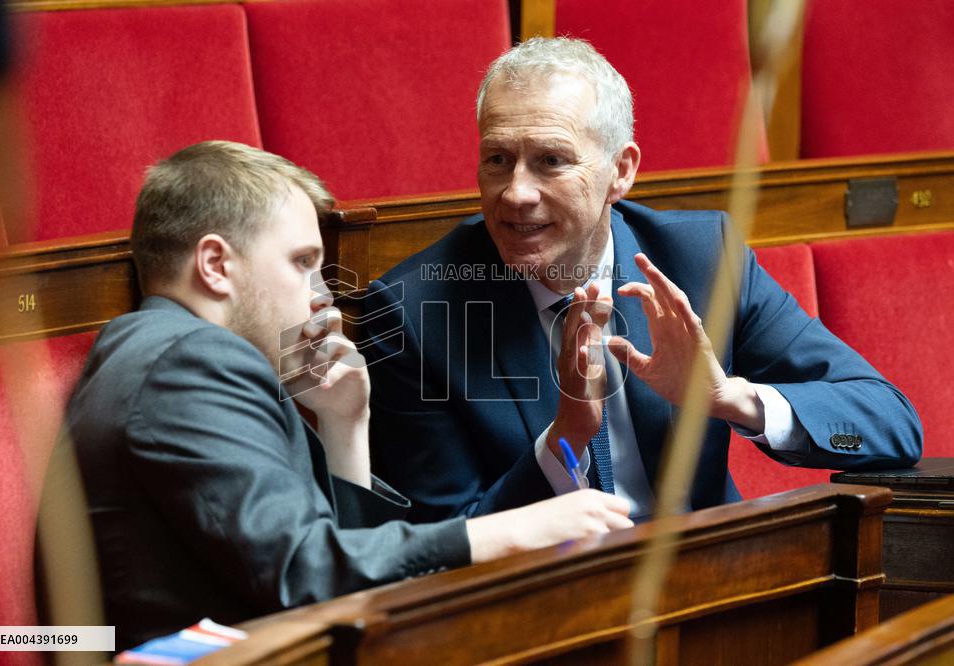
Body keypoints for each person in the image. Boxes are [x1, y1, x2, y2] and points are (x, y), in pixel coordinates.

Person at [63, 140, 634, 650]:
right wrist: (510, 531)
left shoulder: (162, 351)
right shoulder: (190, 363)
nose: (322, 298)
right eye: (303, 264)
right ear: (215, 265)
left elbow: (344, 575)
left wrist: (345, 426)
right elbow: (304, 574)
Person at [363, 37, 923, 524]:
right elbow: (445, 547)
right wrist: (563, 442)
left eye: (551, 160)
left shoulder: (702, 260)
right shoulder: (413, 313)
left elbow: (889, 421)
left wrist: (729, 398)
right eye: (497, 159)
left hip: (713, 586)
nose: (515, 194)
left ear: (621, 171)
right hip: (539, 611)